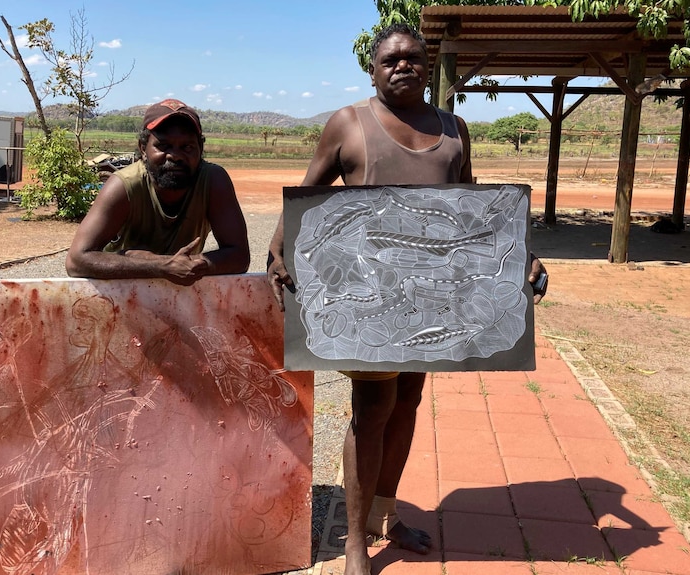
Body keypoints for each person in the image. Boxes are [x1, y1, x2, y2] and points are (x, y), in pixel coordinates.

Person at [267, 23, 548, 575]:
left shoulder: (453, 129)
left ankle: (384, 515)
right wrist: (279, 253)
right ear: (372, 70)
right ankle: (354, 543)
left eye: (413, 59)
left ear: (428, 66)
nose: (402, 67)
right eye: (390, 60)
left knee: (408, 405)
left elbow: (474, 209)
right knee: (371, 412)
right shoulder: (348, 124)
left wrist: (521, 256)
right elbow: (308, 197)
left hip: (433, 301)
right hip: (369, 302)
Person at [66, 99, 250, 283]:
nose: (175, 155)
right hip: (122, 292)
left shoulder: (213, 181)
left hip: (182, 295)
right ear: (143, 149)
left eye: (187, 147)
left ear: (200, 149)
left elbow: (239, 256)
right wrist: (162, 267)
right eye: (163, 146)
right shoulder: (124, 186)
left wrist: (162, 262)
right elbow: (76, 261)